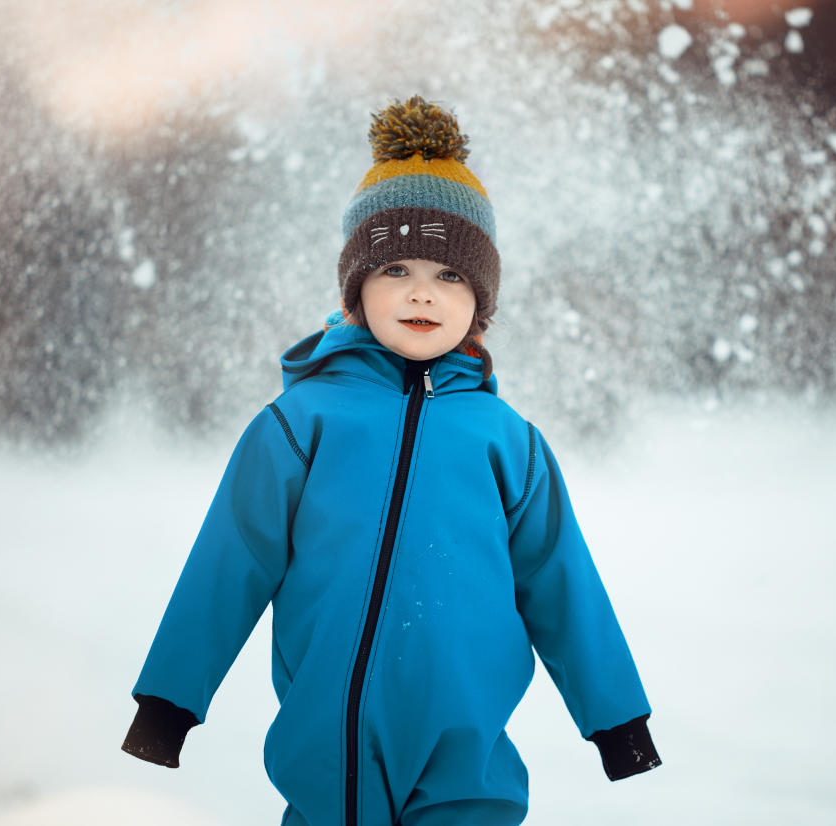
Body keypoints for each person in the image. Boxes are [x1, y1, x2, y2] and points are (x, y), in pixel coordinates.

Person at [121, 94, 660, 826]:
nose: (420, 293)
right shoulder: (299, 424)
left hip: (468, 766)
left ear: (479, 299)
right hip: (328, 762)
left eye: (449, 275)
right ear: (356, 290)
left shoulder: (507, 440)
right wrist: (168, 702)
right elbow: (229, 563)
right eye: (395, 268)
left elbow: (560, 582)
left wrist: (616, 721)